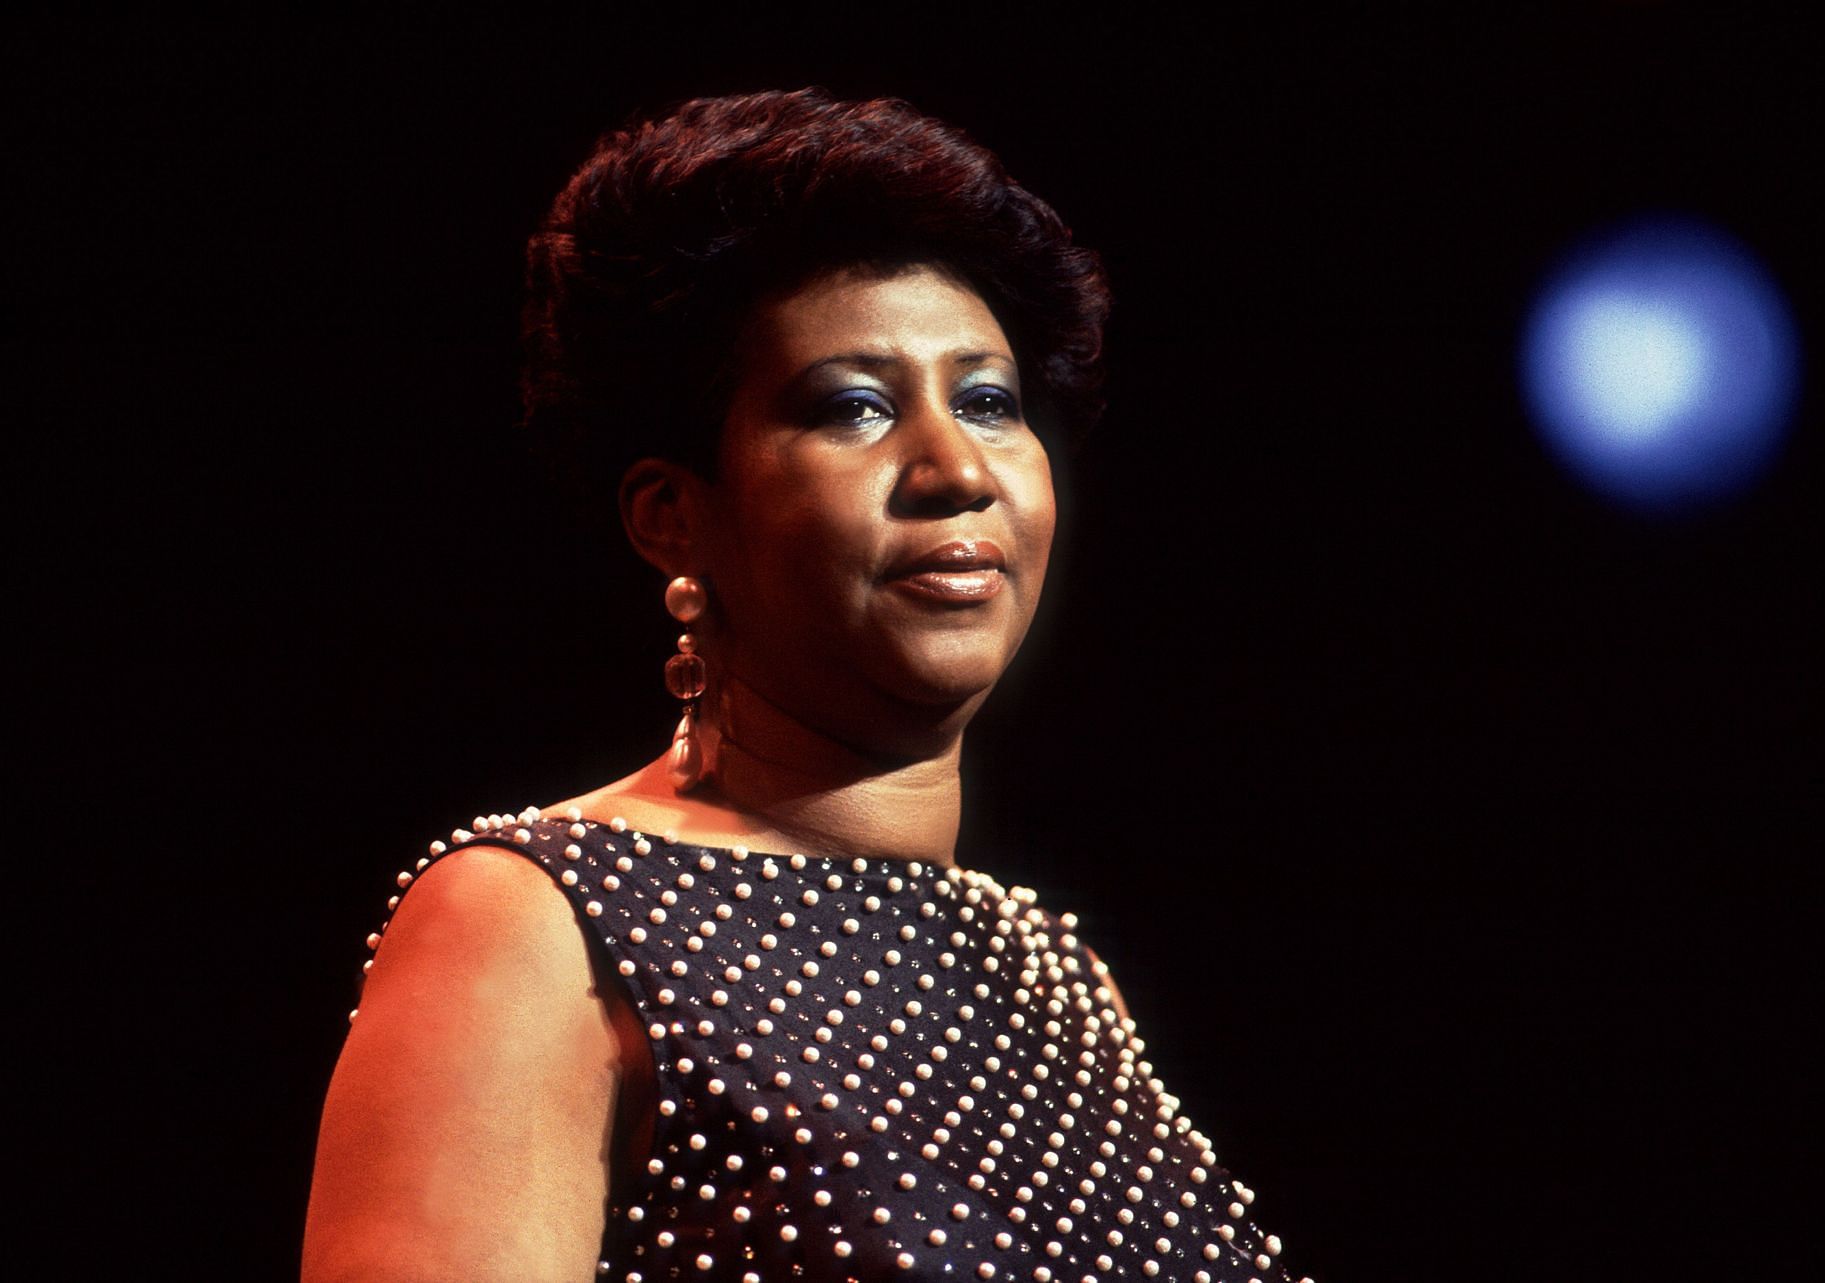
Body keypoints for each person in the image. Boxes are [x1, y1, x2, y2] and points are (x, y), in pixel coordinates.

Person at [304, 89, 1297, 1283]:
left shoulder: (1057, 975)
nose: (954, 469)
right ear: (676, 515)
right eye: (854, 406)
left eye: (988, 400)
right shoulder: (532, 920)